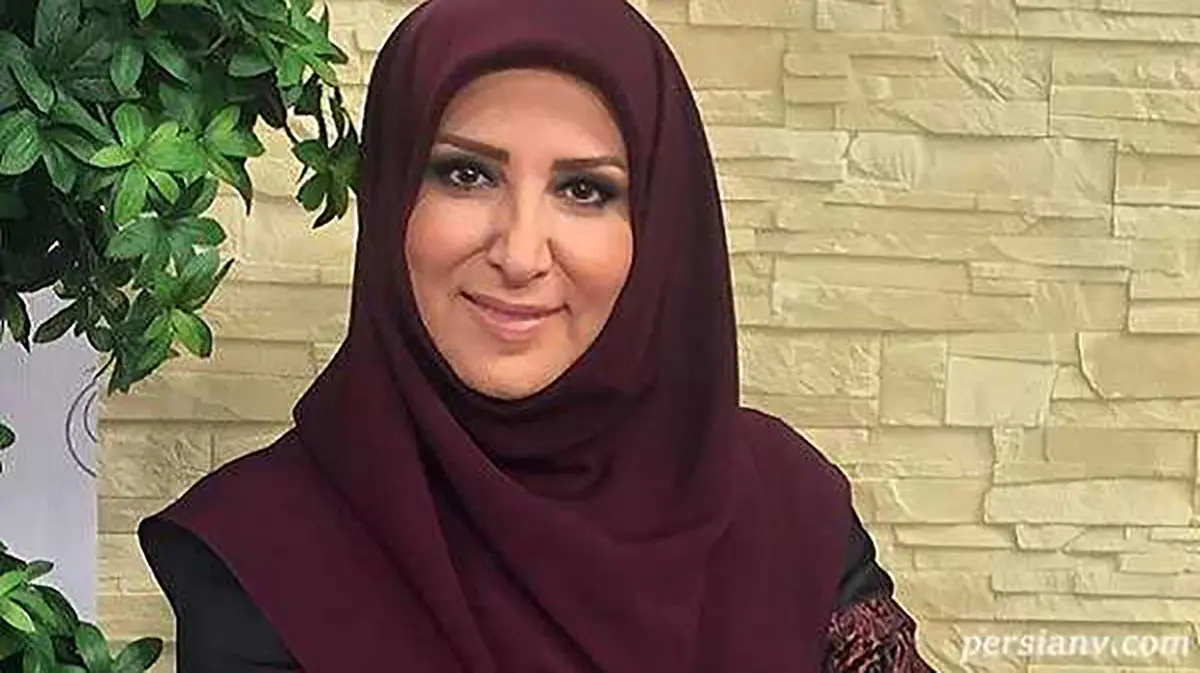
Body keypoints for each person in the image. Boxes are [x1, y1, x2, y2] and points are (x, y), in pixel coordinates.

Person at [138, 0, 935, 670]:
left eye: (584, 189)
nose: (519, 254)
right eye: (466, 174)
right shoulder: (264, 551)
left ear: (658, 226)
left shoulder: (782, 505)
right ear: (393, 197)